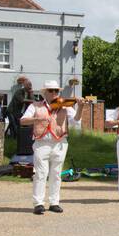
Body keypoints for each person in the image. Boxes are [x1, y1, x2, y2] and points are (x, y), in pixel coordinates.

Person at [21, 81, 77, 215]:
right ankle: (39, 203)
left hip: (60, 142)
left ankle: (54, 202)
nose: (54, 93)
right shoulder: (35, 105)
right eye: (51, 91)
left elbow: (76, 121)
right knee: (41, 173)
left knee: (56, 174)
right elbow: (23, 120)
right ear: (44, 92)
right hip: (42, 142)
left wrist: (80, 106)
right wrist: (37, 119)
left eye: (56, 91)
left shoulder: (65, 106)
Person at [8, 76, 34, 164]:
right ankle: (15, 143)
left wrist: (31, 94)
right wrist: (31, 99)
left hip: (20, 113)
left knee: (22, 129)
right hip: (12, 112)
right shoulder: (19, 92)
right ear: (24, 85)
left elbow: (32, 101)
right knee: (15, 128)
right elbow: (22, 101)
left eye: (30, 87)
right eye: (28, 86)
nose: (30, 88)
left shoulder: (28, 92)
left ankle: (22, 145)